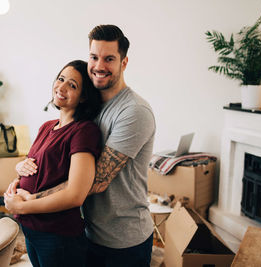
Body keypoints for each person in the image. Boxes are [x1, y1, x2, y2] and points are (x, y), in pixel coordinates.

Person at [8, 25, 156, 267]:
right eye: (94, 57)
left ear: (124, 62)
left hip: (123, 239)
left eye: (109, 59)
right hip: (90, 231)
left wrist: (28, 201)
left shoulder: (133, 111)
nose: (99, 66)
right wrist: (21, 172)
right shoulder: (90, 112)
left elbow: (94, 181)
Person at [4, 59, 102, 267]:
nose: (62, 87)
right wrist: (17, 180)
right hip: (31, 230)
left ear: (84, 96)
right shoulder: (46, 127)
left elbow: (75, 195)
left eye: (72, 85)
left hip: (58, 235)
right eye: (61, 79)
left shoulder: (83, 131)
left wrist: (23, 207)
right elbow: (35, 170)